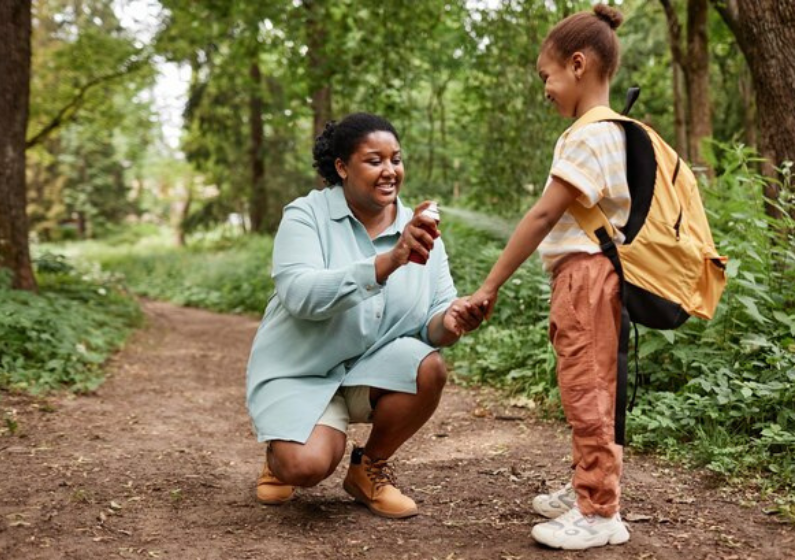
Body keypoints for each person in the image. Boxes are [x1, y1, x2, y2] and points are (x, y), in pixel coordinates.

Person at [246, 112, 484, 519]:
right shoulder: (305, 216)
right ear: (342, 167)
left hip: (368, 370)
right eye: (375, 161)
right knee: (307, 467)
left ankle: (368, 469)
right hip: (300, 370)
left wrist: (453, 320)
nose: (390, 171)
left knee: (429, 367)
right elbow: (300, 294)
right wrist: (389, 261)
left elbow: (432, 323)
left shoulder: (421, 231)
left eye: (396, 159)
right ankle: (279, 454)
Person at [469, 4, 631, 551]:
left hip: (585, 277)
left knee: (586, 389)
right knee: (591, 387)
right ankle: (589, 484)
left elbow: (542, 216)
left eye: (547, 76)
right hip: (596, 275)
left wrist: (490, 285)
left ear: (579, 64)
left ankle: (598, 510)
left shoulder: (586, 135)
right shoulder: (613, 131)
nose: (545, 89)